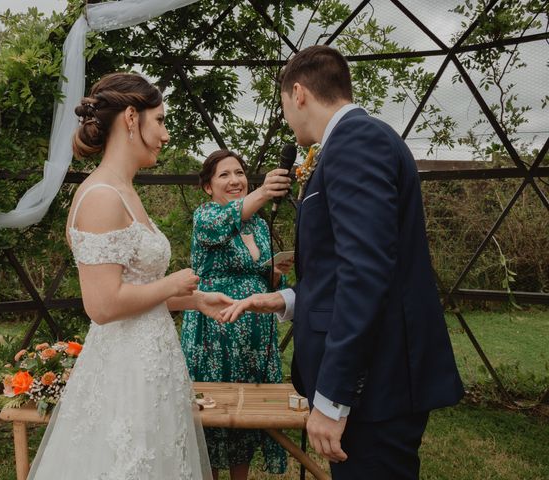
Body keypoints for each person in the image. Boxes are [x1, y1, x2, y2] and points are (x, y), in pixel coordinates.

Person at [220, 45, 464, 479]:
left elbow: (364, 273)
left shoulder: (356, 141)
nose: (287, 117)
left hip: (375, 388)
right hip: (376, 385)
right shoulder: (352, 143)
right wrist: (284, 301)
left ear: (298, 93)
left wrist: (333, 398)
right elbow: (343, 269)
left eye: (282, 105)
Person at [27, 72, 230, 479]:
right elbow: (102, 306)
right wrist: (172, 282)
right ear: (132, 118)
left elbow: (135, 293)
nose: (166, 134)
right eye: (161, 121)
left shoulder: (127, 191)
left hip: (152, 365)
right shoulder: (102, 197)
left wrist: (191, 300)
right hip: (125, 374)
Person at [180, 149, 292, 480]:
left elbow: (264, 276)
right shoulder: (207, 217)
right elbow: (224, 223)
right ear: (207, 186)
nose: (235, 180)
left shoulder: (258, 225)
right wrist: (264, 191)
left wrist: (275, 273)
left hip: (255, 337)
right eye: (225, 175)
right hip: (213, 332)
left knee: (247, 417)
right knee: (213, 414)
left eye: (240, 173)